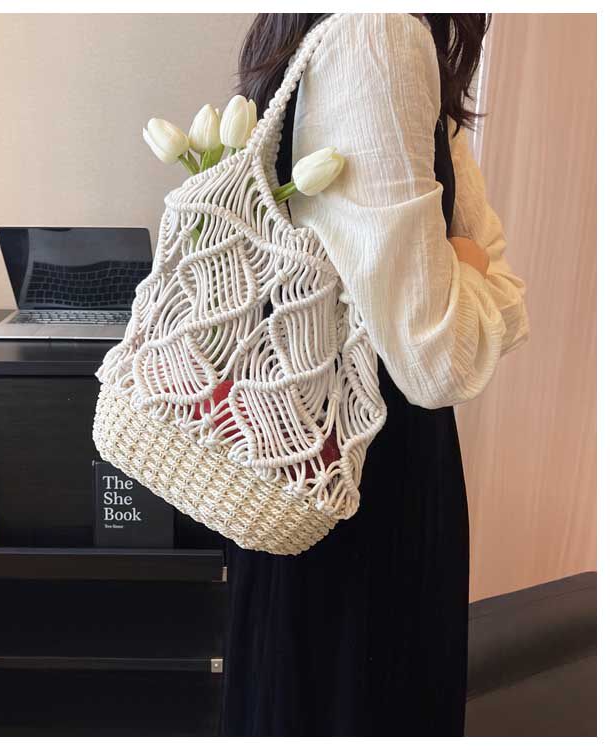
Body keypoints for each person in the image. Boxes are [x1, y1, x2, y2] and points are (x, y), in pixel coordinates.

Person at [219, 13, 529, 736]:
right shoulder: (379, 35)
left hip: (310, 453)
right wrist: (474, 268)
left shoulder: (338, 32)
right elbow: (441, 357)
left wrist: (469, 265)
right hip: (370, 482)